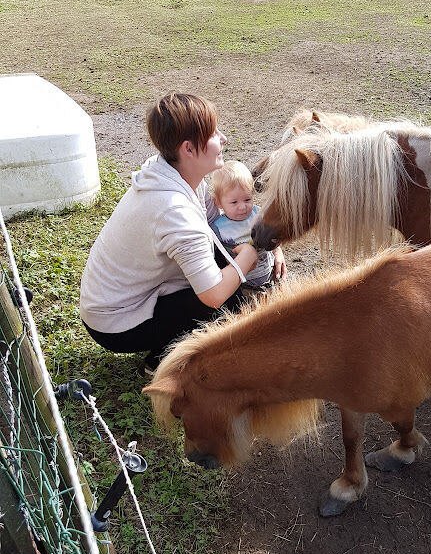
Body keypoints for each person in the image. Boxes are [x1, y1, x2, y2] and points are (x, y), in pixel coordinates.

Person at [79, 93, 275, 376]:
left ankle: (172, 342)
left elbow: (218, 226)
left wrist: (271, 246)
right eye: (214, 133)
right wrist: (249, 257)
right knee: (229, 304)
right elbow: (213, 294)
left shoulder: (171, 174)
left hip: (110, 302)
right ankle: (163, 358)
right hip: (115, 323)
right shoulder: (174, 211)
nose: (223, 139)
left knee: (229, 281)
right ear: (189, 150)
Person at [210, 160, 287, 293]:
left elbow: (272, 235)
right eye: (234, 202)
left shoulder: (259, 214)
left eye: (247, 199)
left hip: (272, 275)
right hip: (244, 286)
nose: (242, 207)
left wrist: (277, 251)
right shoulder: (217, 229)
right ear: (218, 203)